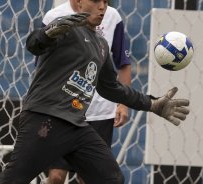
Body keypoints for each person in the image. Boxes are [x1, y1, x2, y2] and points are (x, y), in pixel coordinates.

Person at [0, 0, 189, 183]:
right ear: (78, 3)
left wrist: (151, 103)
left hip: (77, 126)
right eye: (95, 1)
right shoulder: (63, 28)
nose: (102, 7)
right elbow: (34, 44)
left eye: (105, 2)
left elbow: (112, 88)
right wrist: (48, 33)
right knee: (14, 179)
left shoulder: (101, 44)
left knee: (112, 179)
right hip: (45, 119)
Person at [42, 1, 131, 183]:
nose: (102, 6)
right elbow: (43, 66)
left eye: (105, 1)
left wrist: (123, 103)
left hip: (99, 113)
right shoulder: (54, 17)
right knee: (57, 176)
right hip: (62, 111)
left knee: (89, 177)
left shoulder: (113, 17)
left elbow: (123, 63)